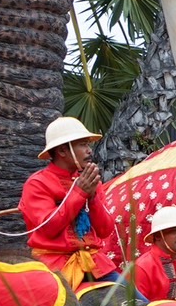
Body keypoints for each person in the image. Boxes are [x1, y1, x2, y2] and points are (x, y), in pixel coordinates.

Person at [20, 116, 120, 288]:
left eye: (88, 144)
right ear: (63, 151)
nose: (89, 151)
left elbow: (105, 230)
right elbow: (48, 228)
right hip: (54, 267)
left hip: (96, 265)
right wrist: (79, 193)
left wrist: (92, 196)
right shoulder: (37, 183)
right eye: (83, 145)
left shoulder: (90, 181)